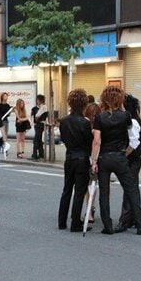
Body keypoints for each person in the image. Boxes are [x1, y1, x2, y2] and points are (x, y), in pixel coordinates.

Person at [90, 85, 141, 235]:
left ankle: (107, 226)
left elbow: (97, 141)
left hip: (104, 157)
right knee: (131, 189)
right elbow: (134, 138)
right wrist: (125, 152)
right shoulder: (126, 116)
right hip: (120, 157)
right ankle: (140, 225)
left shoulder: (100, 117)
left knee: (104, 192)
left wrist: (94, 161)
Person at [57, 88, 92, 232]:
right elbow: (89, 142)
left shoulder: (64, 121)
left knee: (67, 189)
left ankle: (61, 221)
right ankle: (76, 222)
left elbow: (64, 138)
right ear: (84, 103)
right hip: (82, 158)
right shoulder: (84, 122)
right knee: (79, 191)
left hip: (69, 157)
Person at [116, 93, 141, 232]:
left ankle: (125, 220)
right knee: (132, 189)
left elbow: (134, 143)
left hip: (132, 159)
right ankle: (135, 219)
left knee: (129, 189)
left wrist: (124, 155)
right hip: (135, 159)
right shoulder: (134, 118)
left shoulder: (132, 121)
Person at [31, 94, 48, 160]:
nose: (37, 101)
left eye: (38, 100)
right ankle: (41, 153)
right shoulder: (34, 108)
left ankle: (34, 154)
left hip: (40, 124)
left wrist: (37, 118)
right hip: (37, 125)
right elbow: (33, 117)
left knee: (36, 139)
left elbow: (38, 116)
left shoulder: (43, 107)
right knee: (39, 139)